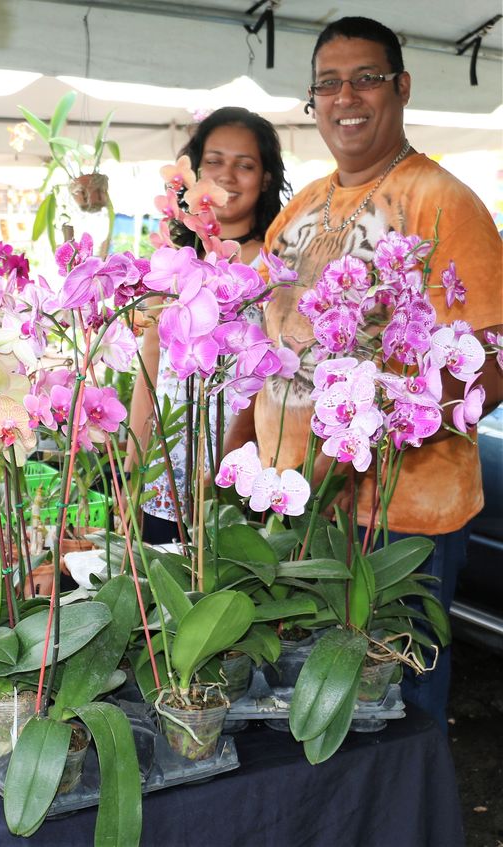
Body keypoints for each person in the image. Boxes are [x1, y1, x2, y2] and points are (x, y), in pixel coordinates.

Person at [224, 17, 503, 731]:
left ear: (401, 87)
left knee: (393, 725)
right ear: (313, 100)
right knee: (310, 720)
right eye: (328, 82)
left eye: (366, 78)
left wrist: (377, 437)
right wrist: (234, 450)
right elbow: (260, 346)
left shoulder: (443, 200)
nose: (346, 96)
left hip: (400, 525)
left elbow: (496, 354)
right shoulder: (301, 207)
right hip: (298, 508)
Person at [127, 107, 291, 543]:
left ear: (267, 178)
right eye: (215, 161)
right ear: (193, 173)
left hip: (243, 468)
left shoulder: (276, 266)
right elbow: (151, 367)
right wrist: (132, 464)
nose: (228, 175)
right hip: (164, 473)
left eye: (246, 164)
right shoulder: (173, 260)